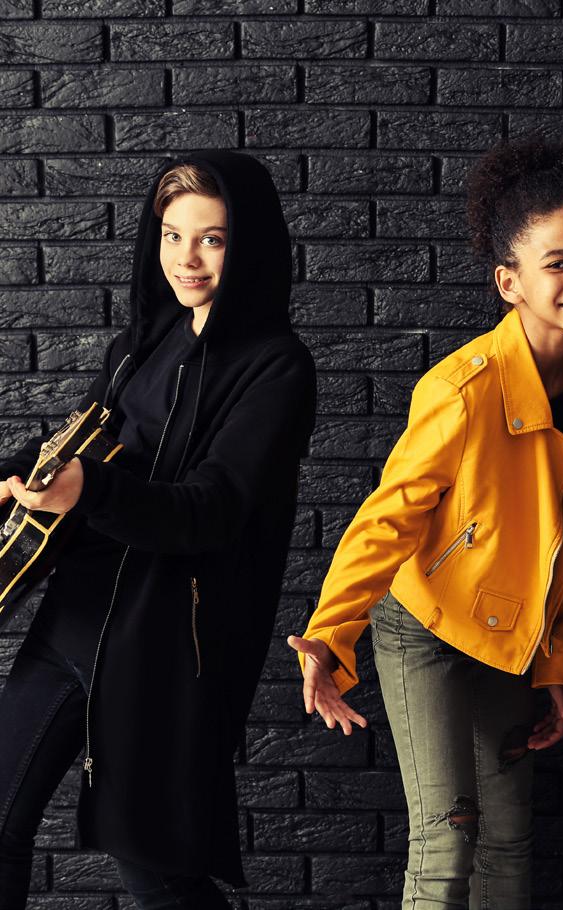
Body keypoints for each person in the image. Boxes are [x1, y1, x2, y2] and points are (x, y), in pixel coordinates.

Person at [288, 137, 563, 909]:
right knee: (448, 837)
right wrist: (331, 636)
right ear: (510, 282)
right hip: (424, 625)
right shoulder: (463, 389)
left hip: (505, 629)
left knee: (509, 838)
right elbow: (387, 519)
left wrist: (557, 667)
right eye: (558, 263)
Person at [0, 151, 316, 908]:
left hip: (163, 648)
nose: (187, 259)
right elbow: (84, 444)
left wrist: (92, 489)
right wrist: (13, 472)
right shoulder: (142, 345)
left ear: (248, 245)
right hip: (73, 620)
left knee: (158, 873)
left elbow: (212, 509)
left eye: (212, 238)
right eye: (173, 235)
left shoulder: (277, 369)